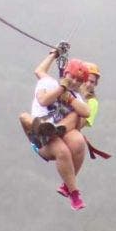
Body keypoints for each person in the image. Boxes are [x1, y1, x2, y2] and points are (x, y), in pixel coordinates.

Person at [18, 49, 92, 210]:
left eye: (78, 80)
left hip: (58, 133)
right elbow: (43, 100)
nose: (73, 82)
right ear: (65, 74)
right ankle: (74, 193)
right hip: (41, 138)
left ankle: (71, 189)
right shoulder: (48, 83)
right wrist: (60, 89)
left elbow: (86, 112)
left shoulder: (75, 97)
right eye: (71, 77)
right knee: (25, 117)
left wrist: (70, 98)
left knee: (78, 140)